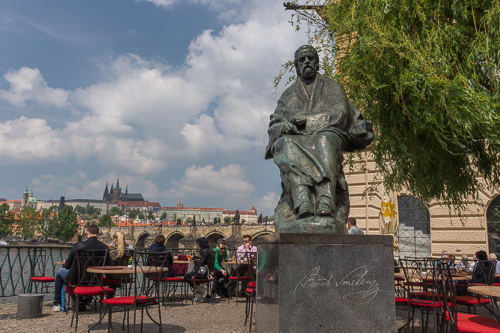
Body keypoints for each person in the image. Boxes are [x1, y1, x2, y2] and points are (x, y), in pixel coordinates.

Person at [265, 45, 373, 226]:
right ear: (296, 67)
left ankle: (325, 199)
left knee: (324, 141)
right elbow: (276, 121)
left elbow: (340, 114)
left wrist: (307, 122)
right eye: (302, 60)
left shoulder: (333, 88)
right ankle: (302, 200)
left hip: (329, 134)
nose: (306, 62)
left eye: (310, 58)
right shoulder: (288, 94)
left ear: (317, 62)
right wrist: (285, 126)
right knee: (283, 144)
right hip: (296, 139)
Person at [53, 224, 109, 312]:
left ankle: (57, 303)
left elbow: (67, 265)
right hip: (96, 279)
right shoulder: (105, 247)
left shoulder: (78, 246)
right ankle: (85, 302)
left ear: (87, 232)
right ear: (98, 233)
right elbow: (107, 265)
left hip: (78, 279)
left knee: (60, 272)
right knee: (87, 276)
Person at [183, 237, 215, 302]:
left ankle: (201, 289)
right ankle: (199, 297)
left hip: (202, 273)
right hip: (210, 273)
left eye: (198, 244)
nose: (197, 246)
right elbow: (205, 260)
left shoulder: (204, 251)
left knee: (186, 277)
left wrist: (195, 260)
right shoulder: (211, 250)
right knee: (190, 277)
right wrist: (198, 258)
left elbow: (201, 263)